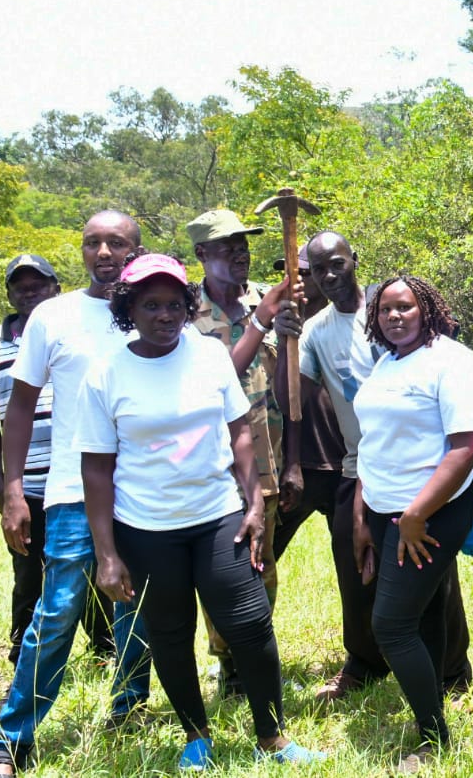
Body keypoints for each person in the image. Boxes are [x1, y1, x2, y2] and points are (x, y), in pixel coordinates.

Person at [78, 253, 324, 770]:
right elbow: (97, 470)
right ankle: (196, 734)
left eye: (174, 304)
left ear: (188, 306)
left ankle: (272, 738)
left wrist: (253, 502)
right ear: (129, 309)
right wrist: (107, 555)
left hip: (218, 517)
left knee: (252, 624)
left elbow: (239, 429)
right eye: (151, 305)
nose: (164, 315)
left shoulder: (209, 357)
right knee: (169, 633)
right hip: (147, 528)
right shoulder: (105, 374)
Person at [0, 212, 151, 777]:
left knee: (137, 609)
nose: (104, 252)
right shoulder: (53, 315)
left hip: (146, 488)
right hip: (72, 490)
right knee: (56, 611)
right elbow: (21, 407)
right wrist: (11, 490)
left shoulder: (157, 307)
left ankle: (130, 709)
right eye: (93, 242)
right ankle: (10, 739)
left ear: (137, 248)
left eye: (117, 242)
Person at [273, 233, 473, 702]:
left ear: (354, 261)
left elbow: (445, 373)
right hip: (359, 467)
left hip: (423, 469)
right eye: (318, 269)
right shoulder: (318, 330)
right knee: (355, 562)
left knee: (434, 571)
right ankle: (364, 662)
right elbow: (293, 400)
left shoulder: (393, 307)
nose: (328, 276)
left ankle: (451, 670)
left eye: (336, 264)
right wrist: (286, 337)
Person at [353, 276, 473, 772]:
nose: (394, 316)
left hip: (432, 513)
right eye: (385, 309)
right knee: (424, 614)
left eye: (404, 307)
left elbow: (468, 443)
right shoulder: (387, 362)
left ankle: (432, 738)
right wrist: (362, 515)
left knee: (390, 625)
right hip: (386, 511)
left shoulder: (451, 361)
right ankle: (435, 710)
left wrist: (414, 515)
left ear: (426, 309)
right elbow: (374, 443)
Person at [0, 255, 115, 667]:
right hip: (30, 482)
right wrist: (4, 488)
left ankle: (103, 649)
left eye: (38, 285)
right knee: (31, 575)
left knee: (92, 567)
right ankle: (23, 659)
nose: (29, 292)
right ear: (9, 294)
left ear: (56, 287)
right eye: (20, 286)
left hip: (79, 477)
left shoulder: (80, 326)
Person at [186, 208, 290, 695]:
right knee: (225, 573)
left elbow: (288, 384)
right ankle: (230, 664)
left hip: (267, 461)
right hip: (213, 467)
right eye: (226, 247)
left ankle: (256, 656)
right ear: (202, 254)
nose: (240, 253)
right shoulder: (182, 312)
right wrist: (262, 322)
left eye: (243, 244)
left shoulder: (264, 299)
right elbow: (215, 383)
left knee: (262, 566)